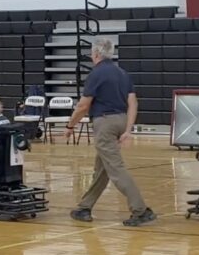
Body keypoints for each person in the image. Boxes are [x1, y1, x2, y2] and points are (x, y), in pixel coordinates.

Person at [65, 38, 155, 227]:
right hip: (121, 119)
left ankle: (140, 210)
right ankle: (85, 207)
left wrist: (70, 125)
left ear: (96, 54)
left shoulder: (96, 74)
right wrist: (128, 129)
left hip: (104, 122)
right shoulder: (122, 73)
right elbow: (133, 103)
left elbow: (83, 105)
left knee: (116, 169)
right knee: (102, 169)